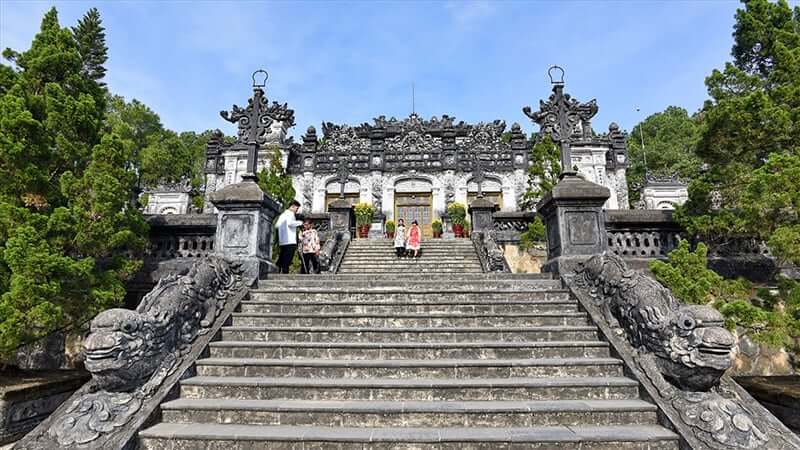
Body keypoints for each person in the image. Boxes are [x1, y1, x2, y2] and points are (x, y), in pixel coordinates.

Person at [275, 200, 303, 273]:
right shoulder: (290, 214)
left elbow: (277, 225)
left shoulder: (283, 214)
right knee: (287, 258)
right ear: (292, 206)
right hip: (290, 240)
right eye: (296, 209)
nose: (296, 211)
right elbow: (290, 223)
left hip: (283, 240)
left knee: (282, 257)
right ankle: (285, 272)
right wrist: (300, 223)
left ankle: (277, 271)